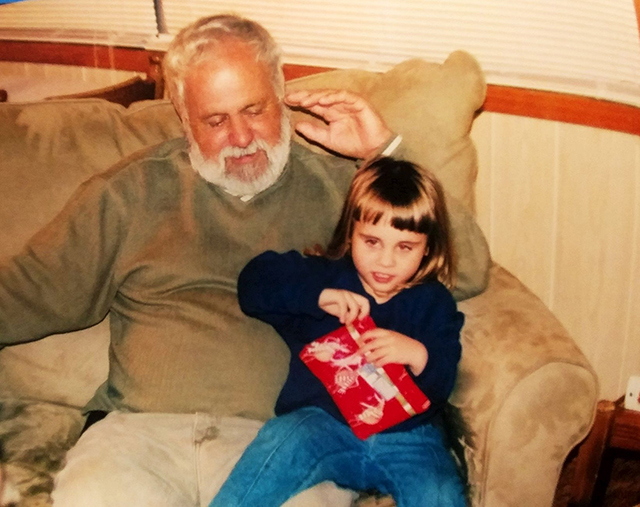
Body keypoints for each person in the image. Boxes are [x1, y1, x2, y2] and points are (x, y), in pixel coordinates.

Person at [0, 13, 485, 507]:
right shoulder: (130, 193)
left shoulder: (344, 186)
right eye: (215, 120)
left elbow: (464, 269)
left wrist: (387, 153)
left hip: (283, 442)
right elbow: (29, 290)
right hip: (138, 438)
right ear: (183, 117)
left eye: (254, 109)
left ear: (283, 97)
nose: (240, 137)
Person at [211, 157, 466, 507]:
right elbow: (254, 282)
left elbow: (444, 377)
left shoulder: (433, 302)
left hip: (409, 438)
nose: (385, 261)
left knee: (440, 493)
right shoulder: (325, 278)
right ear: (351, 232)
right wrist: (315, 297)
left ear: (427, 248)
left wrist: (418, 355)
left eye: (404, 247)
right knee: (278, 443)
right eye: (372, 242)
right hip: (320, 425)